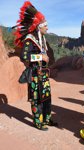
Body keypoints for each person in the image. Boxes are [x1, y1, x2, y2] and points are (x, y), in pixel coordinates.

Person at [14, 1, 57, 131]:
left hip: (43, 74)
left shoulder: (42, 40)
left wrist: (45, 59)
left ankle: (47, 118)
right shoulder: (29, 39)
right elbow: (24, 56)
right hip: (34, 75)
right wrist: (40, 57)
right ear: (39, 27)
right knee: (36, 98)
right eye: (46, 26)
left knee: (46, 97)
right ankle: (38, 122)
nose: (47, 28)